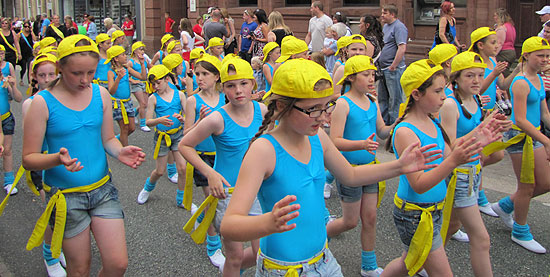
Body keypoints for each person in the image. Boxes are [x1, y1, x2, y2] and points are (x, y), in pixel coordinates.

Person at [219, 58, 443, 277]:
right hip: (284, 269)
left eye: (326, 107)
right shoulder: (263, 150)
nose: (324, 118)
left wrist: (400, 166)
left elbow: (351, 174)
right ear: (281, 106)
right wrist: (267, 222)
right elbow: (229, 225)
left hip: (325, 260)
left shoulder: (317, 139)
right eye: (313, 109)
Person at [23, 34, 145, 277]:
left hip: (102, 190)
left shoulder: (100, 94)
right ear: (60, 67)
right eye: (77, 73)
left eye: (90, 72)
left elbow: (107, 138)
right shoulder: (41, 102)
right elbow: (28, 158)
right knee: (79, 270)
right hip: (66, 198)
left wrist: (119, 150)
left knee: (117, 264)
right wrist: (57, 159)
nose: (85, 80)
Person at [381, 59, 497, 277]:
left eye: (444, 89)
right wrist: (453, 162)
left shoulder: (432, 121)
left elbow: (451, 155)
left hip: (433, 208)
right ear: (416, 94)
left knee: (408, 262)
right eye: (438, 91)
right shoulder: (406, 131)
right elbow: (420, 184)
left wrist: (479, 139)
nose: (445, 95)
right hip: (415, 213)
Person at [180, 56, 266, 276]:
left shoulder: (263, 111)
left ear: (253, 84)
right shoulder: (217, 118)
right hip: (228, 193)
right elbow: (185, 145)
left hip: (258, 191)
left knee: (262, 253)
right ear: (223, 89)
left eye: (243, 83)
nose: (238, 90)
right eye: (231, 85)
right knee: (235, 257)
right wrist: (210, 173)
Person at [440, 51, 511, 276]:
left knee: (451, 226)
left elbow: (475, 132)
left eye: (480, 75)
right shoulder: (450, 105)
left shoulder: (477, 99)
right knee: (481, 238)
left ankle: (423, 262)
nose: (477, 81)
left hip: (474, 171)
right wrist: (482, 130)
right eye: (470, 76)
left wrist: (493, 123)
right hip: (459, 175)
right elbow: (448, 148)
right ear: (456, 78)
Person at [328, 55, 393, 277]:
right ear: (352, 78)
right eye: (366, 75)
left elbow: (382, 130)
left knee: (371, 217)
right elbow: (334, 141)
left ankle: (369, 264)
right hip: (349, 169)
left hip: (370, 169)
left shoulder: (373, 101)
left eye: (373, 74)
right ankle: (320, 236)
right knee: (350, 221)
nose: (371, 78)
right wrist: (361, 144)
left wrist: (400, 122)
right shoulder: (343, 104)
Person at [488, 36, 550, 254]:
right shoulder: (521, 82)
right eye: (540, 56)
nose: (545, 60)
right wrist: (546, 140)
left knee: (546, 182)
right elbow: (520, 119)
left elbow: (544, 113)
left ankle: (505, 206)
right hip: (520, 137)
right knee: (528, 186)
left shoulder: (539, 80)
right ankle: (520, 231)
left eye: (547, 56)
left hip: (535, 135)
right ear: (526, 56)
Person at [21, 53, 67, 277]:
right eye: (42, 75)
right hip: (45, 163)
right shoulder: (31, 103)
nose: (48, 78)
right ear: (35, 77)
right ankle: (50, 255)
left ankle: (60, 245)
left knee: (70, 211)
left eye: (52, 74)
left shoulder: (66, 98)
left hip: (67, 161)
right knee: (54, 212)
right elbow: (33, 144)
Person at [181, 54, 226, 268]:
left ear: (217, 76)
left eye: (205, 74)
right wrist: (200, 121)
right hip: (202, 158)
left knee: (225, 201)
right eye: (197, 74)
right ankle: (213, 245)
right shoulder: (192, 100)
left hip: (225, 156)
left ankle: (201, 219)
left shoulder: (226, 98)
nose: (199, 78)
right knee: (212, 203)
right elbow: (186, 134)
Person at [137, 64, 187, 208]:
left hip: (177, 135)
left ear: (166, 79)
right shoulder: (153, 98)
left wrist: (183, 119)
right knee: (159, 171)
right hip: (162, 137)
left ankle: (181, 199)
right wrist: (159, 120)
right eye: (153, 84)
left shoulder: (180, 94)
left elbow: (187, 114)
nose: (156, 87)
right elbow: (147, 121)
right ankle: (147, 187)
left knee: (183, 168)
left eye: (158, 83)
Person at [106, 45, 146, 146]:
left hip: (128, 101)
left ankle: (117, 139)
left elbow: (142, 77)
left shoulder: (126, 68)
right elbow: (111, 91)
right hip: (118, 103)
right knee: (124, 128)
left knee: (131, 128)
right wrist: (118, 78)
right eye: (123, 55)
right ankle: (124, 150)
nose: (125, 56)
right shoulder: (111, 73)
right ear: (115, 58)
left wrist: (142, 64)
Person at [378, 4, 408, 125]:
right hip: (383, 68)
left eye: (385, 13)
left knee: (395, 99)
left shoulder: (399, 27)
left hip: (393, 70)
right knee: (383, 98)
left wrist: (393, 66)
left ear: (392, 14)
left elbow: (401, 48)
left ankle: (394, 124)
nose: (382, 15)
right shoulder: (385, 27)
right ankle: (383, 123)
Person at [129, 41, 151, 132]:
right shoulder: (131, 62)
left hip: (144, 83)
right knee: (142, 103)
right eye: (140, 49)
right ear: (135, 51)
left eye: (143, 49)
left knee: (145, 104)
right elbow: (126, 74)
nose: (142, 51)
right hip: (136, 84)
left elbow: (150, 67)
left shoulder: (144, 60)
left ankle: (133, 113)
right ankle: (143, 123)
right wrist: (132, 80)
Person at [494, 8, 517, 77]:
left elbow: (500, 43)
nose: (494, 17)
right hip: (512, 51)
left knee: (502, 72)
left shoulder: (502, 28)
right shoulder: (511, 26)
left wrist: (494, 54)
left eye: (495, 15)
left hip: (504, 53)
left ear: (500, 16)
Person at [18, 20, 34, 86]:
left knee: (29, 67)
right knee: (24, 68)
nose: (27, 28)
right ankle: (21, 78)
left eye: (28, 26)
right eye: (25, 26)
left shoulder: (31, 34)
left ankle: (29, 82)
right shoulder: (20, 35)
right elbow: (17, 44)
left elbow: (35, 39)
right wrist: (19, 53)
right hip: (23, 53)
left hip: (30, 53)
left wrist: (32, 31)